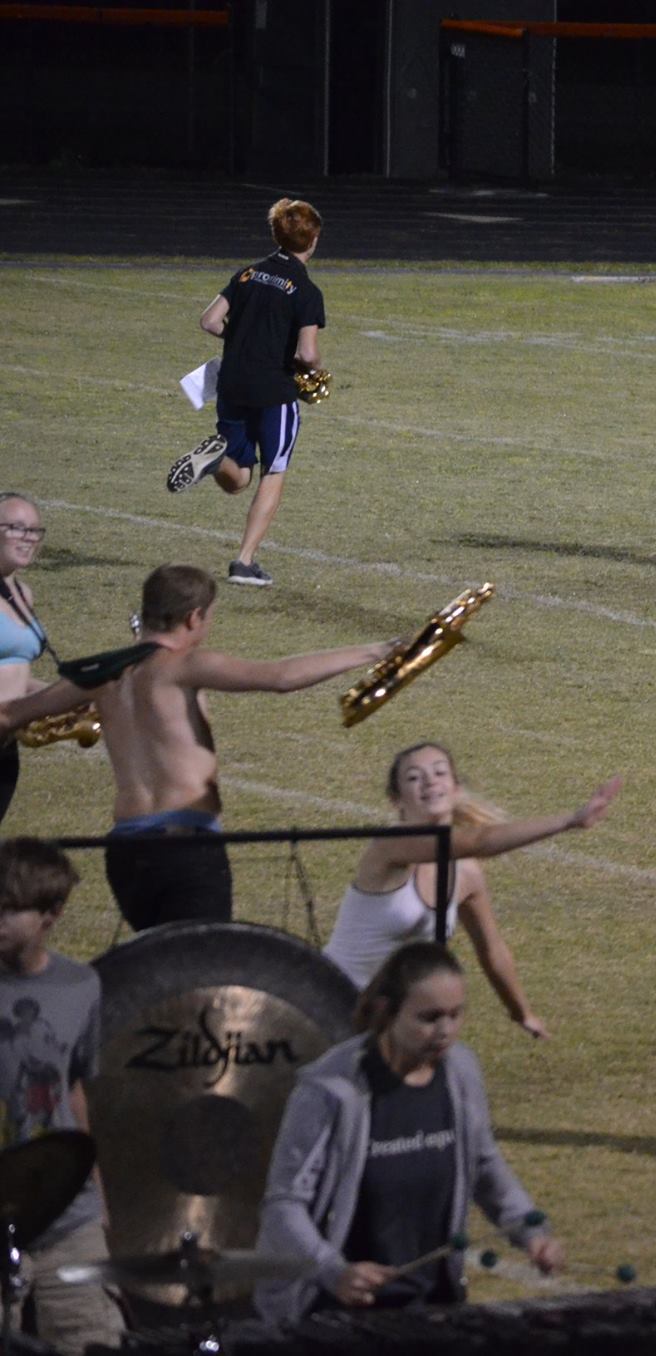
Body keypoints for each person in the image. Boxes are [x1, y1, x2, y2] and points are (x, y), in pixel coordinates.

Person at [0, 564, 397, 931]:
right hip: (184, 846)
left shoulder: (100, 675)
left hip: (123, 850)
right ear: (194, 617)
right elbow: (280, 677)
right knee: (198, 965)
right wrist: (377, 651)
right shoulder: (183, 665)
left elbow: (10, 714)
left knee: (155, 961)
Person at [254, 942, 563, 1321]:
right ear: (387, 1011)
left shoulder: (461, 1072)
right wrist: (333, 1271)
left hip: (435, 1304)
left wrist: (533, 1232)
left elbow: (484, 1167)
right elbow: (284, 1204)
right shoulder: (330, 1090)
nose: (445, 1031)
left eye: (455, 1015)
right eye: (429, 1018)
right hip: (339, 1310)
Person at [324, 741, 621, 1039]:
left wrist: (521, 1013)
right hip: (330, 998)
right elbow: (479, 841)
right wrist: (570, 820)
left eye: (440, 772)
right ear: (396, 800)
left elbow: (492, 950)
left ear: (455, 789)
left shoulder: (465, 874)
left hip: (392, 1016)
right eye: (414, 777)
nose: (429, 781)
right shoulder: (390, 846)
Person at [0, 839, 126, 1356]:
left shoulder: (80, 986)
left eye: (10, 910)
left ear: (51, 915)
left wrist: (97, 1198)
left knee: (90, 1341)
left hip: (67, 1212)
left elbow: (73, 1091)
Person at [163, 197, 327, 588]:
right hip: (274, 391)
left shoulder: (247, 274)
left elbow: (209, 321)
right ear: (313, 240)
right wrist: (315, 372)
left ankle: (214, 460)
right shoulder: (306, 290)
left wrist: (242, 339)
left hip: (232, 383)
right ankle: (244, 562)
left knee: (237, 479)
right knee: (274, 470)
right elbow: (307, 354)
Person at [0, 494, 52, 827]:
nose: (29, 538)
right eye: (17, 528)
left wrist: (69, 696)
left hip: (7, 747)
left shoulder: (23, 594)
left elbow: (16, 676)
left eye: (34, 530)